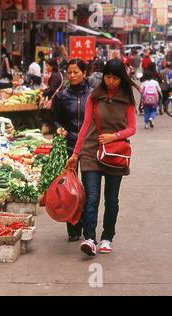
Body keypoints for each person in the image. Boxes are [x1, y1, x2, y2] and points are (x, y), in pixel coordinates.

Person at [65, 59, 137, 256]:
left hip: (115, 153)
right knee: (92, 198)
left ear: (121, 78)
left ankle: (107, 237)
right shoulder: (94, 97)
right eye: (108, 77)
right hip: (91, 152)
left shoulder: (127, 100)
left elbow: (132, 128)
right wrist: (75, 154)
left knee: (111, 199)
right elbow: (86, 125)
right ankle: (90, 238)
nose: (111, 81)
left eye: (115, 78)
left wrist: (115, 136)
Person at [52, 58, 92, 242]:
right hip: (69, 147)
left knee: (91, 190)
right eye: (69, 72)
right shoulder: (61, 96)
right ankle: (74, 227)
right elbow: (55, 119)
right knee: (70, 190)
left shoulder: (93, 95)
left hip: (90, 148)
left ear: (84, 73)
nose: (72, 75)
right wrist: (59, 128)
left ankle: (89, 226)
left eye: (76, 72)